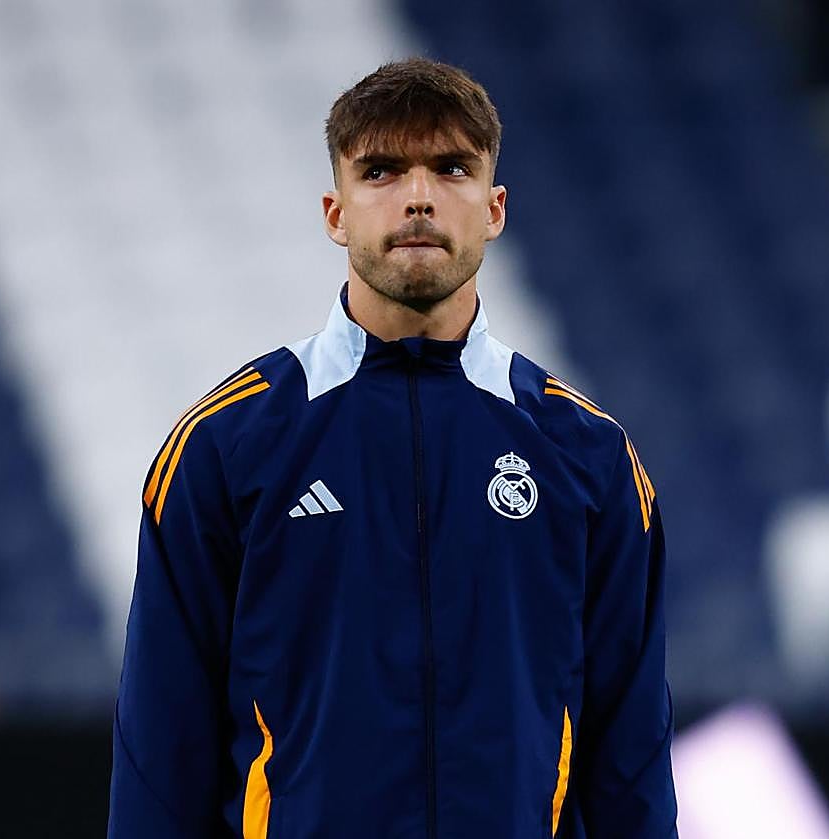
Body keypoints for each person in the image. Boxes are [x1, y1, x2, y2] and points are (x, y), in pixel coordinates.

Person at [108, 58, 678, 838]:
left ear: (495, 208)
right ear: (335, 212)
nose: (417, 196)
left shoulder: (591, 459)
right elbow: (159, 757)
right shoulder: (223, 447)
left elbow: (631, 764)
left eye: (451, 168)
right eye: (380, 170)